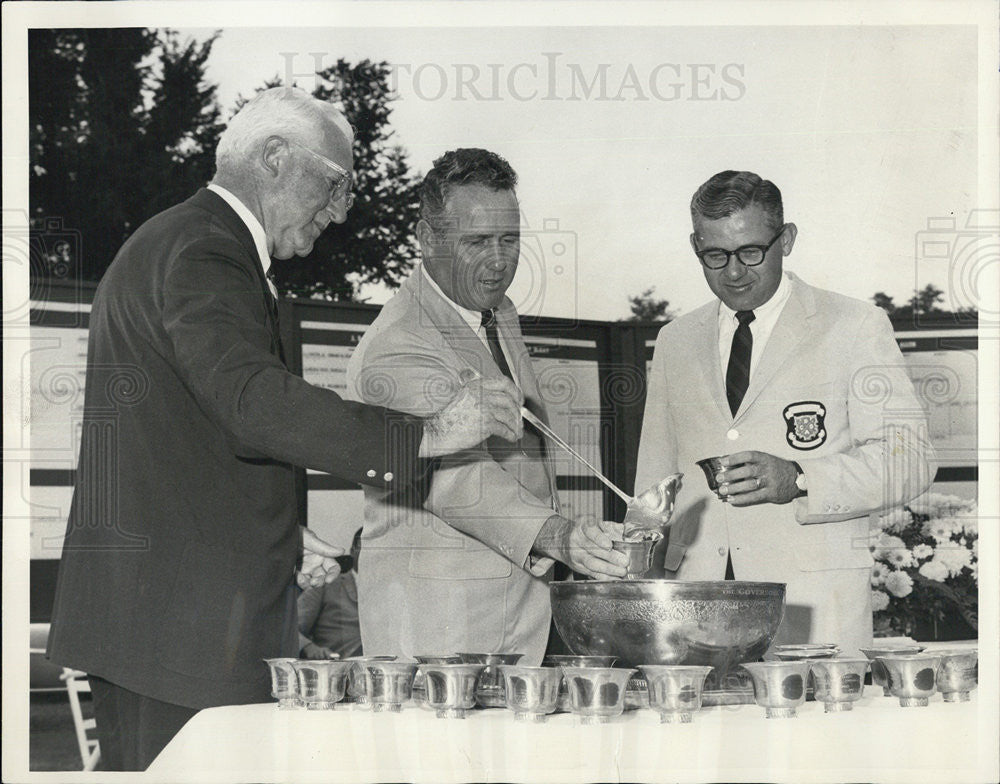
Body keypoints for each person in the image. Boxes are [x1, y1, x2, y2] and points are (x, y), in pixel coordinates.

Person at [45, 88, 524, 770]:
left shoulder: (181, 242)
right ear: (273, 158)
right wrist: (427, 433)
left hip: (166, 622)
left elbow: (190, 435)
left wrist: (285, 531)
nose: (337, 212)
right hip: (180, 634)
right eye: (333, 185)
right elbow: (251, 401)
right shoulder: (206, 249)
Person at [634, 170, 936, 657]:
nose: (734, 272)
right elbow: (654, 477)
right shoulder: (675, 340)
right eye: (715, 256)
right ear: (695, 245)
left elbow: (910, 459)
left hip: (813, 607)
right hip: (694, 606)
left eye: (751, 251)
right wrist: (644, 583)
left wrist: (799, 477)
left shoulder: (855, 326)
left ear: (787, 238)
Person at [346, 148, 628, 663]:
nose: (499, 262)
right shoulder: (398, 342)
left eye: (510, 240)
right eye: (477, 242)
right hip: (440, 628)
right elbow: (452, 476)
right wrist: (558, 536)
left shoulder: (497, 312)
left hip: (514, 611)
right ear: (427, 238)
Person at [298, 530, 363, 660]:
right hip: (336, 670)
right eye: (368, 550)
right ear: (353, 551)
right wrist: (309, 647)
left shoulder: (393, 594)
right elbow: (289, 628)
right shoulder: (327, 584)